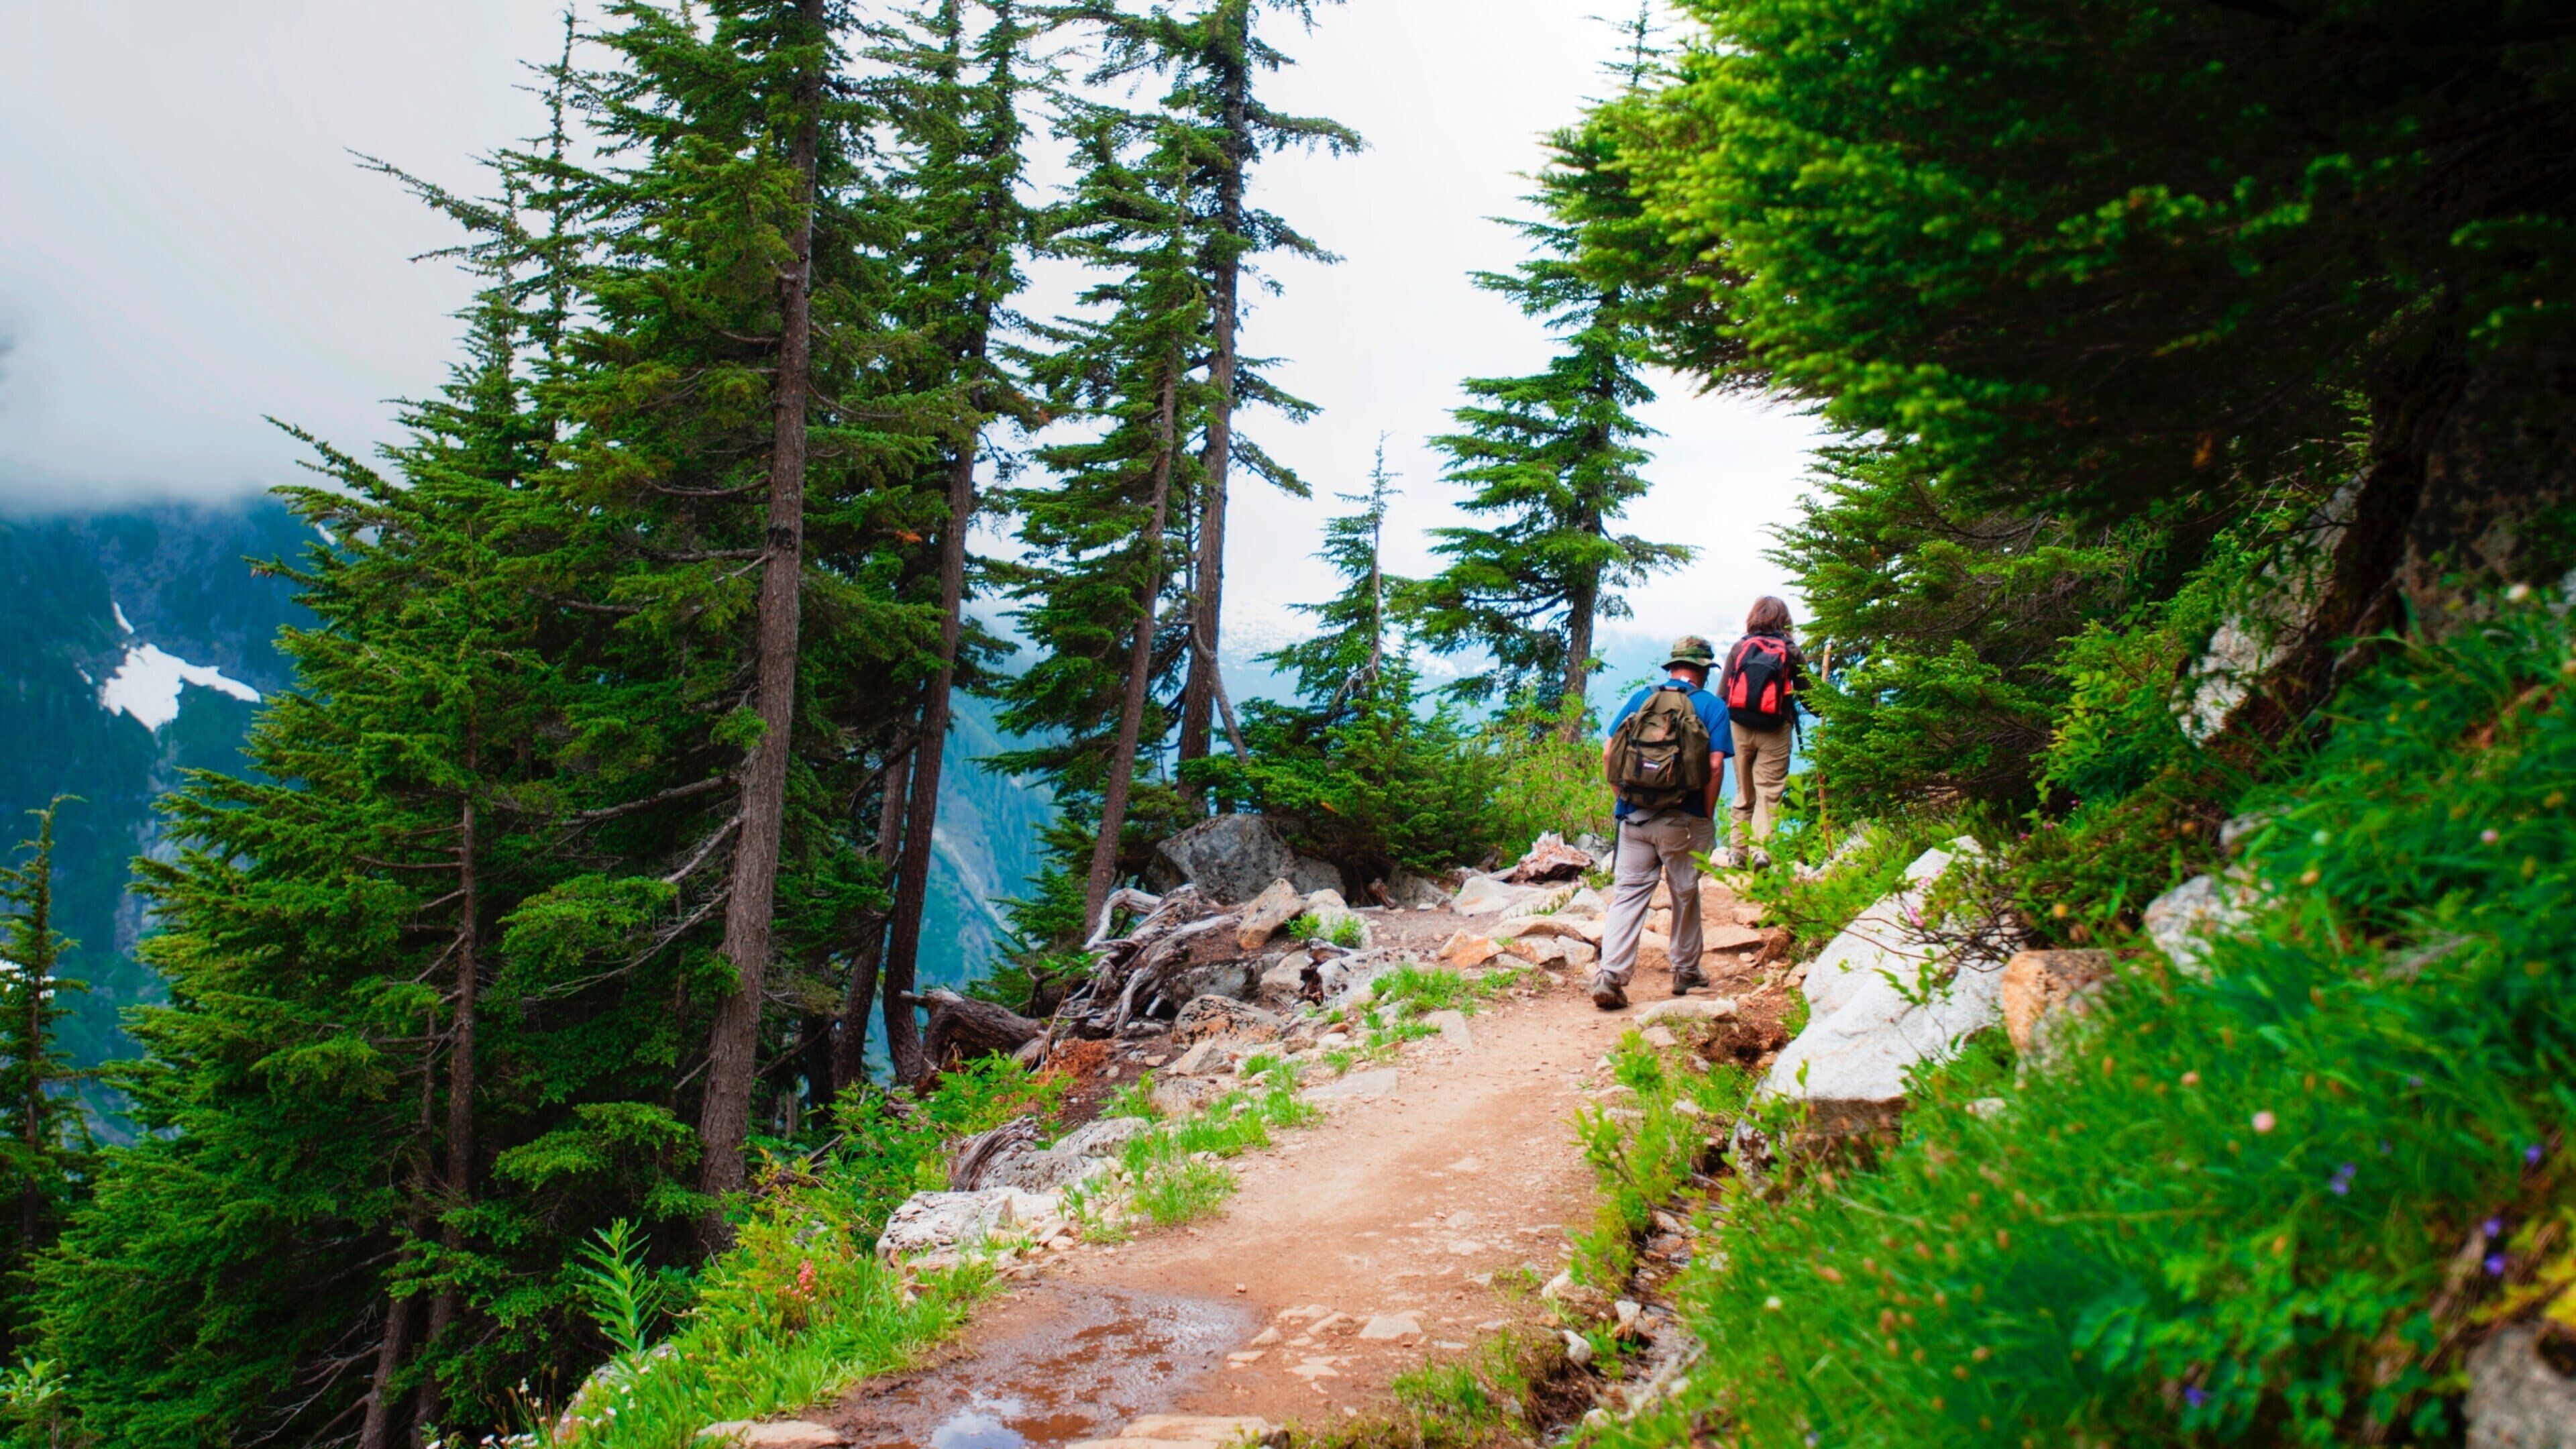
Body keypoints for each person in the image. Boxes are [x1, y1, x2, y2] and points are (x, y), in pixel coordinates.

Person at [1593, 636, 1732, 1010]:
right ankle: (1685, 971)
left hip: (1634, 817)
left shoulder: (1642, 698)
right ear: (1703, 670)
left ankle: (1610, 976)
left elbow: (1608, 752)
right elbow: (1715, 766)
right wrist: (1704, 815)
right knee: (1684, 893)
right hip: (1683, 820)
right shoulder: (1712, 706)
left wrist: (1621, 799)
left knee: (1628, 895)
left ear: (1672, 667)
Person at [1719, 596, 1809, 859]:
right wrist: (1825, 709)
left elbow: (1722, 695)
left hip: (1739, 727)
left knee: (1744, 792)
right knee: (1768, 792)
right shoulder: (1790, 650)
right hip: (1775, 728)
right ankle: (1761, 852)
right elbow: (1809, 696)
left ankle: (1738, 853)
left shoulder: (1740, 647)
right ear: (1785, 620)